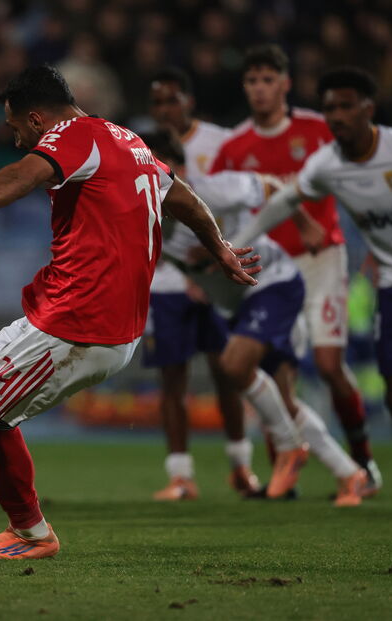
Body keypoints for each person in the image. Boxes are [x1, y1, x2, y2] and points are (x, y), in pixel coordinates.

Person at [0, 65, 261, 561]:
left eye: (15, 126)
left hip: (82, 321)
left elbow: (26, 173)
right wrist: (219, 248)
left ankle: (30, 533)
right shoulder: (125, 138)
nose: (17, 139)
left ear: (38, 117)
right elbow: (183, 197)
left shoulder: (72, 135)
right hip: (85, 315)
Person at [234, 67, 392, 510]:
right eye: (329, 108)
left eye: (346, 106)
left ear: (369, 109)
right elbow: (284, 202)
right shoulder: (327, 165)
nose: (337, 116)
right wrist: (233, 245)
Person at [150, 129, 367, 506]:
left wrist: (301, 223)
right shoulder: (148, 219)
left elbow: (270, 185)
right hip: (239, 305)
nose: (149, 177)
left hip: (275, 283)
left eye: (157, 167)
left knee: (233, 365)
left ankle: (287, 448)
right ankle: (351, 475)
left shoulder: (214, 190)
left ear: (179, 169)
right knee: (283, 401)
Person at [210, 45, 380, 491]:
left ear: (285, 84)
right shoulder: (233, 147)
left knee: (327, 365)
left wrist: (375, 244)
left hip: (320, 259)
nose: (260, 89)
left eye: (268, 79)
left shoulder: (319, 129)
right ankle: (288, 475)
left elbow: (358, 183)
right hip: (271, 272)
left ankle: (364, 460)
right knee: (276, 375)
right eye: (252, 80)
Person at [144, 68, 259, 500]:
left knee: (226, 372)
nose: (164, 111)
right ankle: (181, 476)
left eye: (171, 101)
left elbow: (230, 199)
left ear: (189, 102)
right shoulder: (138, 146)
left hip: (212, 278)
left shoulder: (218, 143)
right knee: (172, 379)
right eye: (157, 104)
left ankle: (241, 469)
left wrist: (215, 255)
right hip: (165, 284)